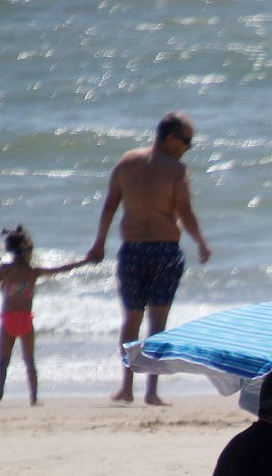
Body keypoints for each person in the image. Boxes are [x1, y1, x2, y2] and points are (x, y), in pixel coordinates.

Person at [86, 111, 212, 405]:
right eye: (187, 141)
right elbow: (185, 212)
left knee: (132, 320)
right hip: (164, 251)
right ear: (170, 139)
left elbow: (109, 207)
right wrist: (201, 242)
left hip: (132, 250)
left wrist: (99, 243)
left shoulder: (126, 162)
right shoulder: (176, 170)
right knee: (156, 322)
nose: (188, 148)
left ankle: (127, 387)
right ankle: (151, 391)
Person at [0, 225, 86, 406]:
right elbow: (61, 269)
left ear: (8, 249)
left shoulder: (5, 268)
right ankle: (33, 398)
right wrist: (84, 261)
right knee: (29, 362)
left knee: (3, 362)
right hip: (25, 320)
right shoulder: (33, 271)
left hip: (8, 319)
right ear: (27, 249)